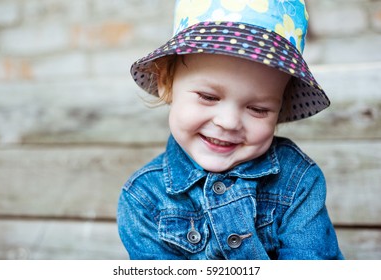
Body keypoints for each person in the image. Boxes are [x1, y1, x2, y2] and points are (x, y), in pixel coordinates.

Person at [117, 0, 344, 260]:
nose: (228, 122)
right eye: (208, 97)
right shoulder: (143, 198)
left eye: (258, 109)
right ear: (167, 86)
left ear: (279, 110)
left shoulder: (299, 179)